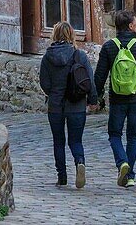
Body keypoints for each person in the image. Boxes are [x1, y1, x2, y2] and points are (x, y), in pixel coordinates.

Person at [94, 9, 136, 188]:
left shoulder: (109, 47)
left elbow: (99, 76)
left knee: (114, 134)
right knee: (133, 136)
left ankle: (121, 162)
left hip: (117, 98)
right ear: (130, 25)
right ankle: (130, 175)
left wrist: (95, 98)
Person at [39, 21, 98, 189]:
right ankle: (80, 162)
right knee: (76, 140)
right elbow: (89, 81)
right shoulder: (79, 56)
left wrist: (54, 93)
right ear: (71, 35)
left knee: (58, 141)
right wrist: (92, 100)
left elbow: (44, 83)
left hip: (56, 106)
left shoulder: (47, 58)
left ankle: (62, 177)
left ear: (54, 35)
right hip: (77, 104)